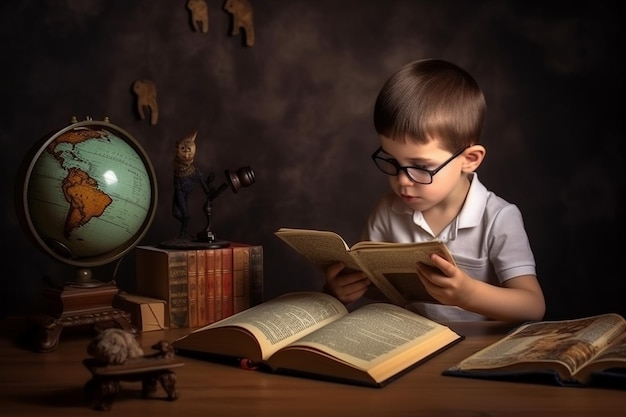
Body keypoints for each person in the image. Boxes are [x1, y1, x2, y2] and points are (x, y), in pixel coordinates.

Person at [324, 58, 545, 322]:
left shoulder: (499, 218)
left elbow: (533, 306)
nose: (403, 181)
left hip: (475, 354)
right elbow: (379, 291)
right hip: (407, 348)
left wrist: (468, 294)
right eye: (392, 162)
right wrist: (338, 291)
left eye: (421, 166)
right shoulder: (387, 210)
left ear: (470, 159)